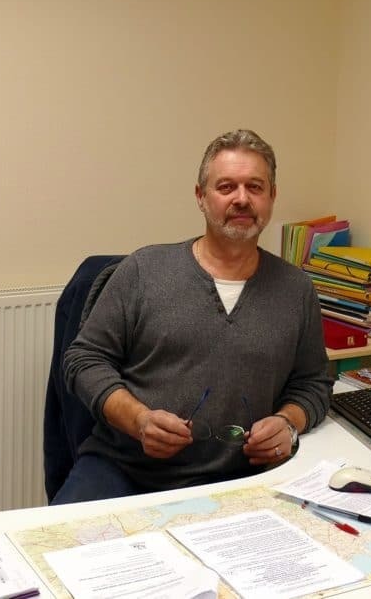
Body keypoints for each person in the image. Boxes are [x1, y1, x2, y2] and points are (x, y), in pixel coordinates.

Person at [56, 129, 332, 504]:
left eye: (255, 187)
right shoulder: (143, 270)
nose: (241, 199)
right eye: (226, 187)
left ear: (271, 197)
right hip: (124, 469)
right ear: (201, 197)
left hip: (240, 478)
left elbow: (314, 382)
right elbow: (84, 360)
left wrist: (289, 423)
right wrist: (139, 420)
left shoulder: (296, 289)